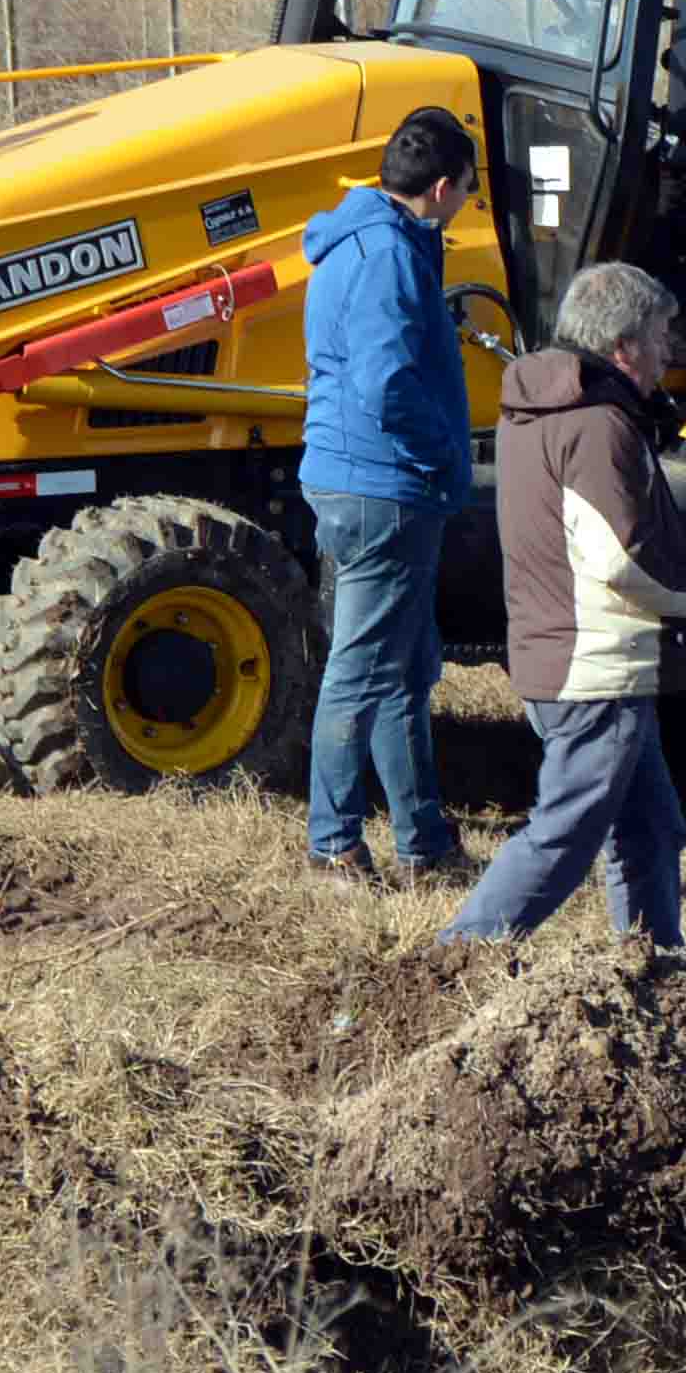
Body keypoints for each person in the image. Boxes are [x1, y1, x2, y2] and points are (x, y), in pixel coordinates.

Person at [440, 262, 686, 949]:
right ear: (624, 345)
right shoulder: (598, 425)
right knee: (566, 834)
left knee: (651, 829)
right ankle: (459, 958)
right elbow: (618, 556)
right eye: (661, 336)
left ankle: (657, 967)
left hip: (560, 652)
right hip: (595, 668)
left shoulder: (538, 412)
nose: (668, 352)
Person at [300, 103, 480, 884]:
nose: (467, 204)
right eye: (467, 191)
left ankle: (425, 845)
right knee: (361, 671)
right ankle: (333, 845)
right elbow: (386, 385)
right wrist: (444, 455)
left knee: (401, 669)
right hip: (384, 490)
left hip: (358, 482)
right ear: (439, 188)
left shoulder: (365, 239)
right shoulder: (388, 258)